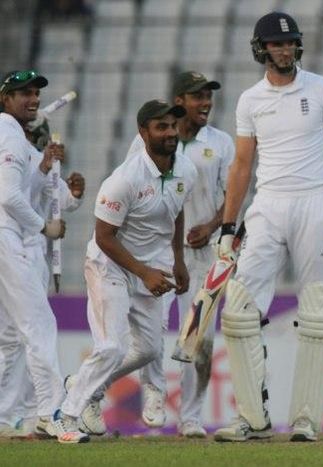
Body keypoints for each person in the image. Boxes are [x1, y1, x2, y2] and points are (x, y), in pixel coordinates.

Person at [214, 11, 323, 442]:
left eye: (290, 42)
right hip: (268, 204)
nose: (284, 49)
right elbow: (241, 166)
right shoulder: (250, 100)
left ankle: (306, 419)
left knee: (317, 315)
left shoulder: (322, 88)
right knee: (238, 314)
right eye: (276, 44)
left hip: (316, 203)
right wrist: (227, 227)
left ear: (298, 45)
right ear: (261, 49)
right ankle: (253, 419)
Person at [58, 100, 197, 439]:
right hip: (110, 265)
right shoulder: (123, 179)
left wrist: (177, 259)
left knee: (149, 349)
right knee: (112, 347)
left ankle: (82, 383)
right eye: (160, 127)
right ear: (143, 132)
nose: (169, 132)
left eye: (172, 126)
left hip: (150, 267)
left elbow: (176, 211)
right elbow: (104, 237)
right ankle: (66, 416)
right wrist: (144, 272)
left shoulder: (186, 170)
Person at [126, 71, 234, 437]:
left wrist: (211, 226)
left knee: (197, 338)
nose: (205, 103)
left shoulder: (220, 143)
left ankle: (190, 417)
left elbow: (234, 196)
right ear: (180, 101)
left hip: (203, 255)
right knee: (152, 334)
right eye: (197, 96)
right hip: (157, 252)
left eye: (208, 96)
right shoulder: (151, 141)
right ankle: (154, 399)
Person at [0, 69, 86, 443]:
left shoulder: (15, 136)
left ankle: (4, 416)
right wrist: (44, 227)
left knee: (9, 335)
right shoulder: (7, 131)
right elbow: (8, 197)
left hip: (11, 237)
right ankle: (51, 413)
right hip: (10, 238)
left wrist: (45, 165)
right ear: (5, 98)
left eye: (35, 93)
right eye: (24, 93)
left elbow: (25, 188)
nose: (33, 99)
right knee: (39, 325)